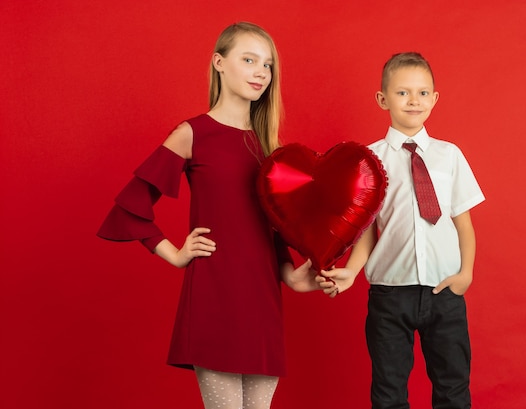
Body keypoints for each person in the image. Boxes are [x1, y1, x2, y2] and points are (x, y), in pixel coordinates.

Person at [97, 22, 319, 409]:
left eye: (267, 65)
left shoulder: (272, 148)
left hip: (263, 302)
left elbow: (275, 230)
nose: (259, 72)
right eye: (248, 60)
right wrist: (174, 253)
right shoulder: (193, 133)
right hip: (215, 296)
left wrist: (293, 275)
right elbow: (130, 204)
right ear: (219, 62)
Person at [317, 52, 485, 409]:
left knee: (453, 387)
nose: (414, 101)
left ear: (435, 99)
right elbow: (367, 229)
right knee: (388, 391)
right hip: (390, 295)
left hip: (444, 291)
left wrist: (465, 274)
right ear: (383, 99)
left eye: (423, 93)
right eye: (403, 93)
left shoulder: (449, 156)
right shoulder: (369, 161)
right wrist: (351, 271)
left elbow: (463, 223)